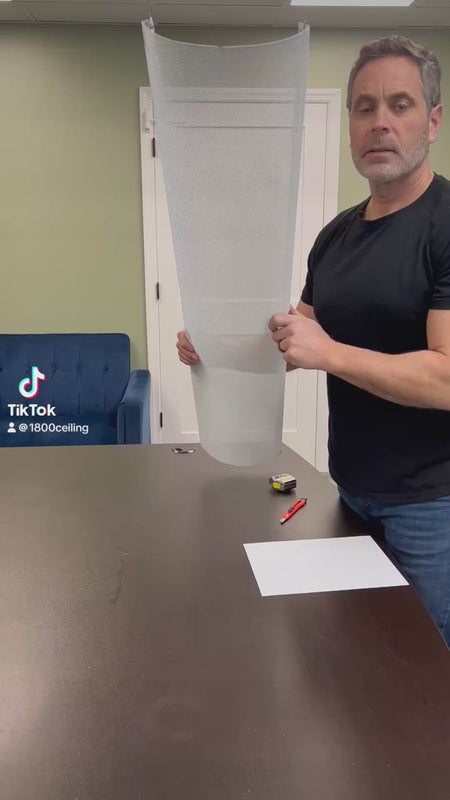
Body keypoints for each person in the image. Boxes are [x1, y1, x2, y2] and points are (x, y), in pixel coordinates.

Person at [177, 35, 450, 649]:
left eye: (400, 105)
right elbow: (294, 340)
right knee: (359, 655)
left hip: (433, 508)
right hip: (349, 490)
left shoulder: (445, 225)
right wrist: (214, 348)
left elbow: (446, 378)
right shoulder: (335, 237)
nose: (380, 122)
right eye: (364, 107)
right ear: (350, 125)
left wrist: (329, 352)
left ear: (432, 121)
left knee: (426, 669)